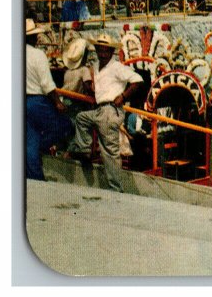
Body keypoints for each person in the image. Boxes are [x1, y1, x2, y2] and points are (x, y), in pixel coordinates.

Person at [66, 33, 143, 192]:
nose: (101, 53)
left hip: (110, 110)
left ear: (110, 51)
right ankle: (85, 150)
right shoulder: (95, 66)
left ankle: (116, 189)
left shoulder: (117, 67)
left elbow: (137, 80)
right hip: (100, 109)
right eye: (99, 50)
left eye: (105, 50)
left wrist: (123, 96)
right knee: (81, 118)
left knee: (109, 152)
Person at [26, 19, 73, 181]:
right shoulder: (37, 55)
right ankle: (40, 148)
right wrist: (58, 102)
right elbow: (47, 84)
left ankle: (35, 177)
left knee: (30, 139)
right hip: (37, 101)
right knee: (64, 125)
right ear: (32, 37)